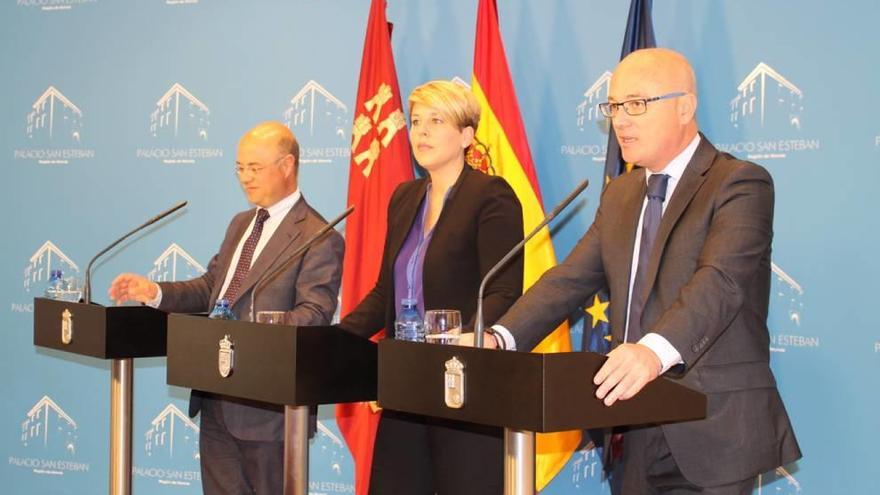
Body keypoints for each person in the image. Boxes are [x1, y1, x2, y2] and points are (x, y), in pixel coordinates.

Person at [473, 48, 801, 494]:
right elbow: (569, 280)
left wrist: (652, 352)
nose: (620, 120)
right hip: (633, 425)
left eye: (637, 104)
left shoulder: (739, 183)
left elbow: (720, 282)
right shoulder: (621, 194)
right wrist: (498, 337)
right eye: (613, 107)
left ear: (684, 106)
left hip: (712, 426)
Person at [108, 121, 344, 495]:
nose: (245, 178)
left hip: (269, 409)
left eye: (255, 168)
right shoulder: (241, 224)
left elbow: (314, 314)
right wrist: (154, 291)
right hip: (217, 397)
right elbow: (212, 289)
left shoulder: (318, 236)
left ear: (287, 166)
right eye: (240, 168)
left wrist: (255, 329)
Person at [338, 80, 524, 494]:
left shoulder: (491, 195)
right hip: (405, 381)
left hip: (464, 382)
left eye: (436, 121)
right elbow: (386, 295)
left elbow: (503, 292)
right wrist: (334, 340)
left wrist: (468, 342)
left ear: (466, 135)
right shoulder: (404, 197)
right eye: (417, 121)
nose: (420, 131)